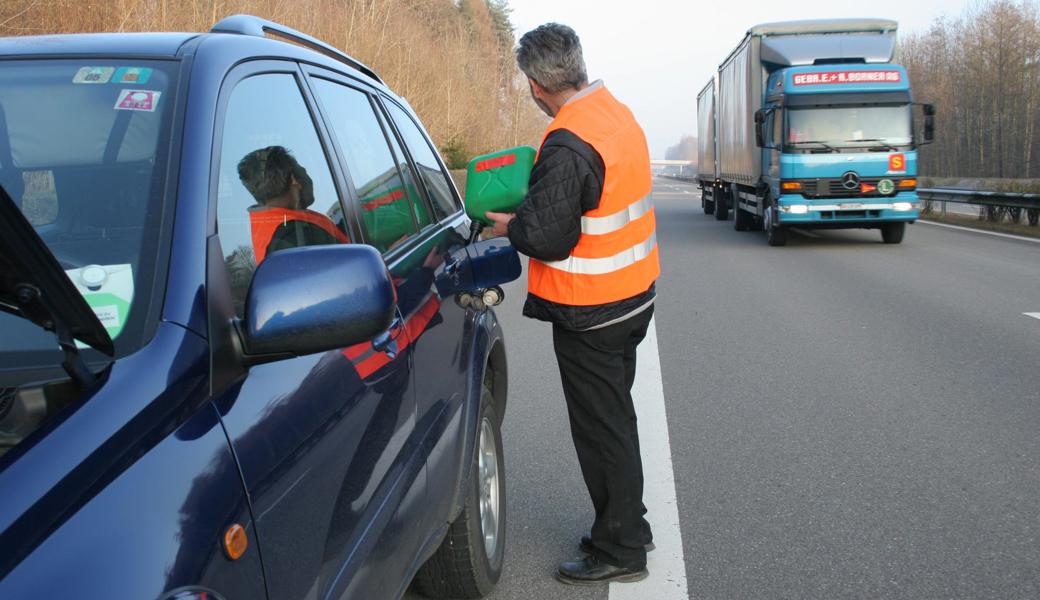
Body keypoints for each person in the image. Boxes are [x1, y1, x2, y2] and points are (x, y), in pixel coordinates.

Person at [484, 23, 660, 585]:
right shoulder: (615, 113)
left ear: (537, 86)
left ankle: (621, 549)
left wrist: (511, 226)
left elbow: (548, 237)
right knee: (616, 421)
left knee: (602, 430)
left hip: (593, 310)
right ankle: (627, 525)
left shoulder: (567, 140)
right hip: (634, 297)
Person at [237, 145, 348, 263]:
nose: (308, 178)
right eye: (303, 171)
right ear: (294, 179)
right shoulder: (296, 237)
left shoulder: (276, 225)